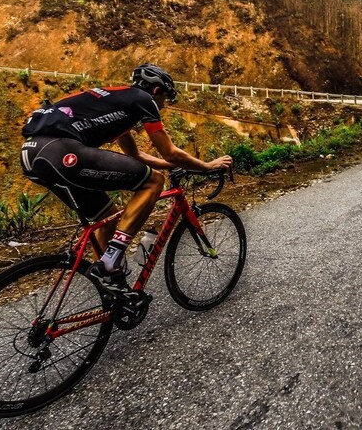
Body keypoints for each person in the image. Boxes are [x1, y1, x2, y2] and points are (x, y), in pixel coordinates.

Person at [18, 63, 232, 306]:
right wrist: (206, 166)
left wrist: (170, 165)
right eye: (165, 98)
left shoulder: (118, 105)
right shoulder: (143, 99)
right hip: (61, 150)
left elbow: (136, 156)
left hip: (33, 154)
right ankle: (110, 262)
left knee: (105, 216)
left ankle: (110, 284)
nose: (164, 105)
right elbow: (170, 152)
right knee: (153, 182)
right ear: (156, 90)